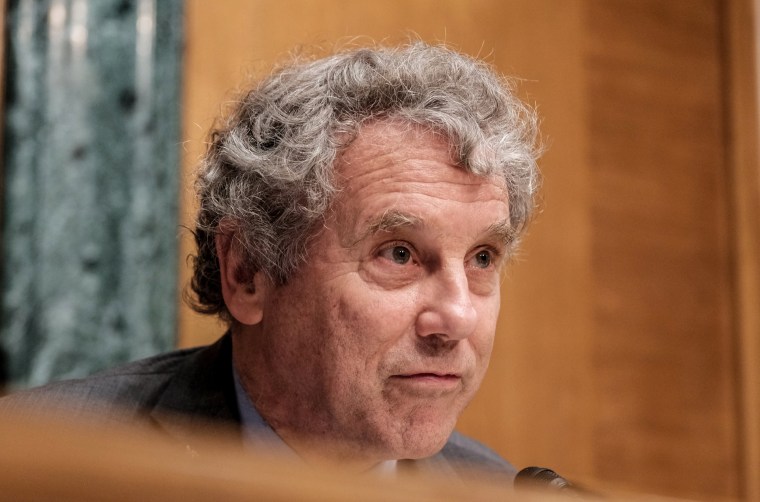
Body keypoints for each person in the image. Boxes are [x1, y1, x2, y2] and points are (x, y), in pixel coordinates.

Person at [0, 42, 540, 479]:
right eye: (398, 254)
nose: (458, 317)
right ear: (249, 272)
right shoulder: (34, 462)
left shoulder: (492, 489)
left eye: (483, 258)